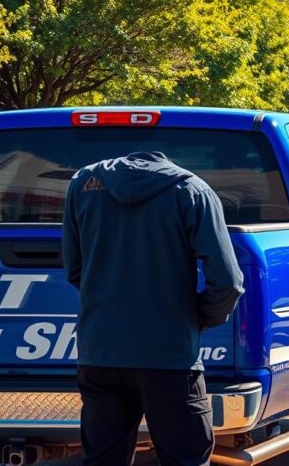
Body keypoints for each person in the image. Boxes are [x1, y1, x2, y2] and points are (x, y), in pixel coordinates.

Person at [62, 151, 244, 466]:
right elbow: (227, 281)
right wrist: (198, 318)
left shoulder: (81, 185)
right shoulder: (193, 191)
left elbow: (75, 270)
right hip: (170, 358)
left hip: (99, 355)